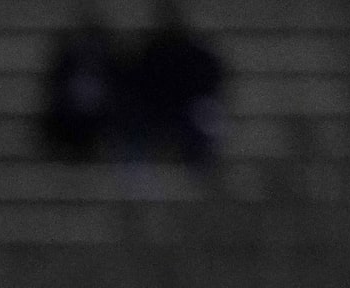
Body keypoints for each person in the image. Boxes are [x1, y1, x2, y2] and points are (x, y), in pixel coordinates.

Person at [122, 2, 226, 168]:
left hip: (187, 112)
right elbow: (139, 84)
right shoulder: (151, 51)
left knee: (205, 116)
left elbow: (213, 80)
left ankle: (199, 167)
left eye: (174, 18)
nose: (170, 22)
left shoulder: (196, 53)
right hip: (156, 111)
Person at [41, 13, 120, 163]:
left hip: (98, 112)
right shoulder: (69, 58)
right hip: (73, 113)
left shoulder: (108, 59)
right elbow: (56, 83)